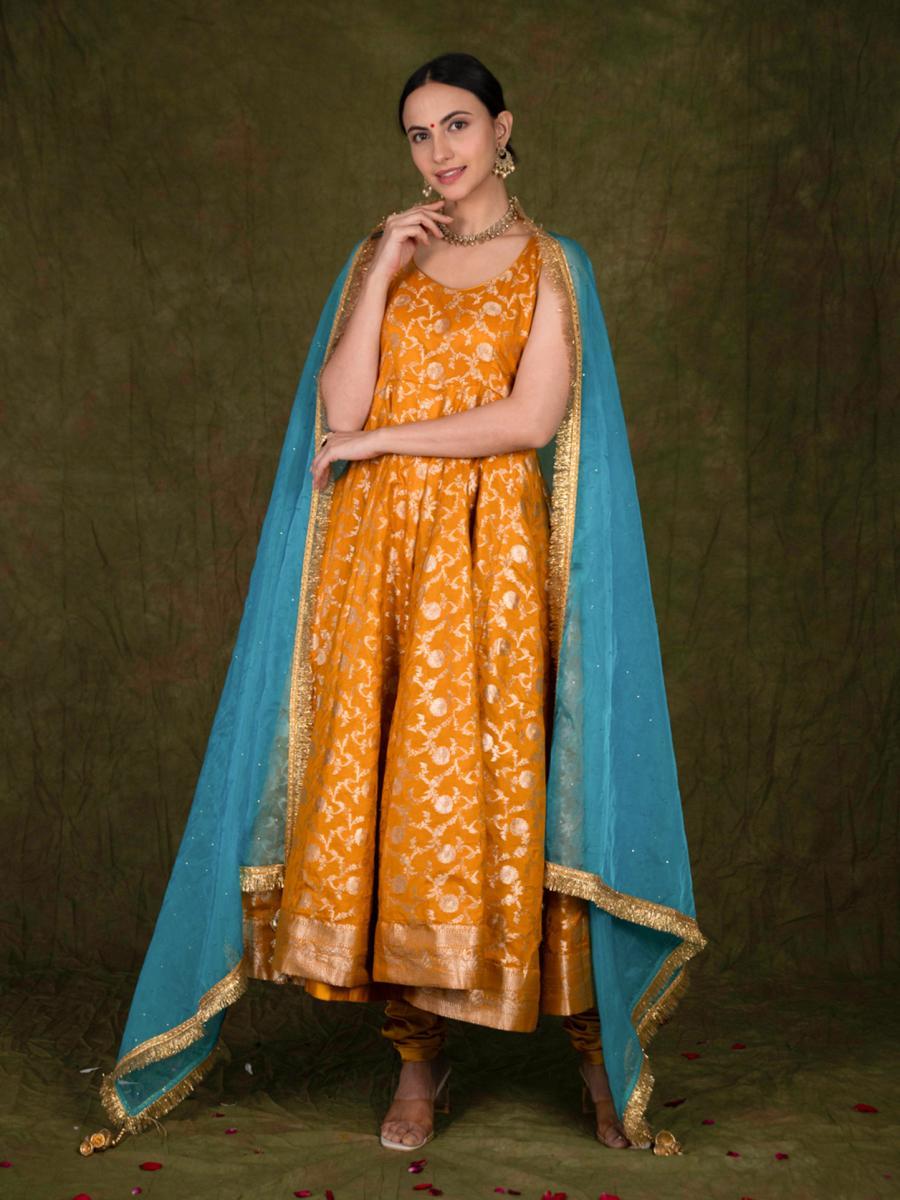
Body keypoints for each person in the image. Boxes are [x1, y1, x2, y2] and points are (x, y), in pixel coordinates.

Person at [82, 52, 706, 1163]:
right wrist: (379, 274)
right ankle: (418, 1060)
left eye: (458, 124)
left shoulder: (554, 266)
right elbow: (340, 403)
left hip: (491, 564)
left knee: (514, 793)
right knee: (388, 803)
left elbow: (529, 419)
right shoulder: (384, 252)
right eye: (420, 134)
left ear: (503, 128)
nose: (440, 151)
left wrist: (382, 444)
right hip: (377, 567)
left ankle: (594, 1049)